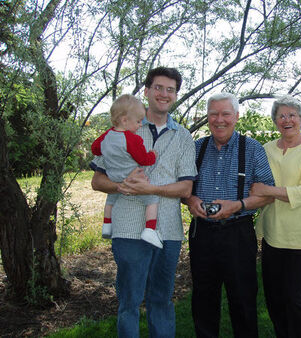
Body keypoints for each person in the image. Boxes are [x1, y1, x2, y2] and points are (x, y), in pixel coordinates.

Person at [90, 67, 197, 337]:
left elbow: (186, 187)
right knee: (129, 302)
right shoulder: (123, 128)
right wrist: (121, 186)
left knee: (161, 300)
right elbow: (96, 181)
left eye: (170, 89)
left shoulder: (183, 136)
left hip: (168, 231)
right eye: (158, 88)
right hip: (127, 229)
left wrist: (151, 188)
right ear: (147, 91)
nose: (164, 94)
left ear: (175, 95)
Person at [184, 92, 274, 338]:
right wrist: (191, 199)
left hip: (238, 232)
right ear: (207, 117)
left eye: (225, 114)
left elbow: (267, 193)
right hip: (202, 233)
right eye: (214, 114)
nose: (219, 120)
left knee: (243, 298)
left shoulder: (252, 148)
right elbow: (183, 189)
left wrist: (238, 205)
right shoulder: (196, 148)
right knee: (203, 297)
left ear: (236, 116)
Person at [250, 95, 301, 338]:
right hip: (273, 232)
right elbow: (255, 184)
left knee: (293, 296)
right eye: (281, 115)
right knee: (273, 296)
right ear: (274, 121)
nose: (287, 120)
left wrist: (269, 191)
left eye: (292, 115)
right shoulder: (266, 149)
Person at [91, 94, 162, 248]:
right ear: (124, 120)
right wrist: (153, 155)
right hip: (133, 177)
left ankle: (107, 225)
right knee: (152, 200)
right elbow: (143, 159)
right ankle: (150, 229)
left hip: (113, 175)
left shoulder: (106, 135)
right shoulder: (132, 139)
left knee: (111, 199)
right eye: (138, 121)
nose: (140, 125)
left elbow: (95, 149)